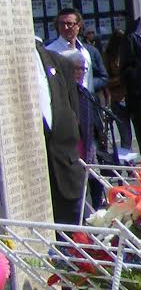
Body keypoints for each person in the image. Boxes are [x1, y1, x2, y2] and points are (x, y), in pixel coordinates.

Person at [34, 41, 87, 224]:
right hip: (31, 187)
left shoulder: (58, 63)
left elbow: (74, 115)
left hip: (66, 174)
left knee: (76, 243)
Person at [46, 7, 107, 96]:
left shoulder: (89, 51)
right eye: (61, 24)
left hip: (87, 102)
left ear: (78, 25)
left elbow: (103, 77)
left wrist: (85, 85)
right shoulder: (50, 51)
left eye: (69, 24)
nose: (65, 27)